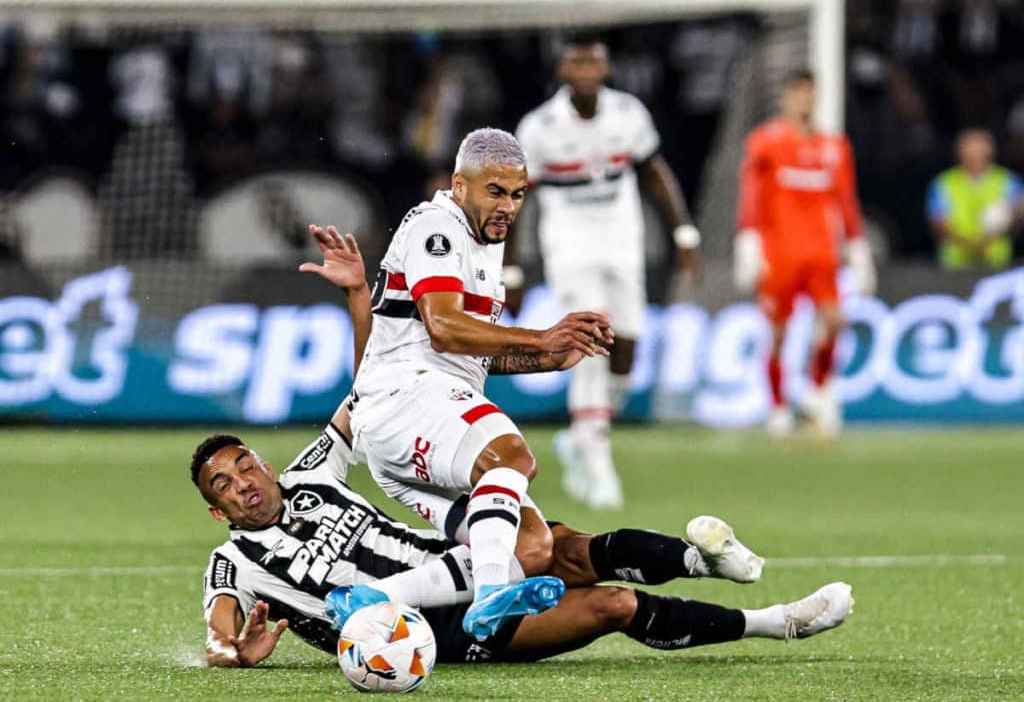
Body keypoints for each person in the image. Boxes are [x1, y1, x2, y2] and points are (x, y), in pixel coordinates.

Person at [196, 222, 853, 668]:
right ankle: (773, 621)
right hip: (435, 630)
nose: (241, 483)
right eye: (223, 487)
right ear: (217, 513)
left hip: (455, 555)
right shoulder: (235, 562)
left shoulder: (312, 472)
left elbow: (375, 386)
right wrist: (232, 654)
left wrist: (353, 295)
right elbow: (219, 637)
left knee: (567, 546)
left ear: (265, 463)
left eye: (242, 465)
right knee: (611, 604)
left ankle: (701, 559)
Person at [349, 126, 617, 642]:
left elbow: (473, 357)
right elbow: (445, 328)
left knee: (531, 547)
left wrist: (547, 359)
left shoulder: (483, 242)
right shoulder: (438, 225)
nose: (508, 207)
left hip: (416, 414)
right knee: (511, 456)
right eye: (495, 191)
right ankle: (491, 594)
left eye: (518, 195)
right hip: (403, 395)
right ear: (460, 184)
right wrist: (541, 337)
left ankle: (372, 601)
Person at [515, 33, 702, 510]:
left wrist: (683, 233)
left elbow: (654, 173)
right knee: (591, 334)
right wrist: (510, 268)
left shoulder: (628, 114)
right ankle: (596, 455)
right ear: (563, 71)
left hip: (622, 242)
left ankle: (584, 432)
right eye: (576, 63)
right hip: (570, 246)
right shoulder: (538, 128)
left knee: (627, 349)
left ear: (605, 68)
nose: (585, 71)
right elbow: (518, 199)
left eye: (593, 62)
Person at [734, 68, 876, 439]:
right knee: (779, 333)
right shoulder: (766, 142)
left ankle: (817, 389)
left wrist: (858, 249)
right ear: (785, 98)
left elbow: (845, 202)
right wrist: (748, 243)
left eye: (811, 93)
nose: (805, 101)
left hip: (821, 254)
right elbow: (752, 195)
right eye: (798, 93)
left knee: (835, 321)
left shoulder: (834, 147)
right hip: (780, 253)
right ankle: (778, 406)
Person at [926, 128, 1024, 271]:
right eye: (969, 148)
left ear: (990, 150)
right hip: (954, 265)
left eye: (979, 148)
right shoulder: (943, 182)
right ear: (959, 151)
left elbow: (1018, 217)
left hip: (997, 263)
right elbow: (938, 222)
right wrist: (969, 245)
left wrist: (1008, 219)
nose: (974, 153)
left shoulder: (1008, 181)